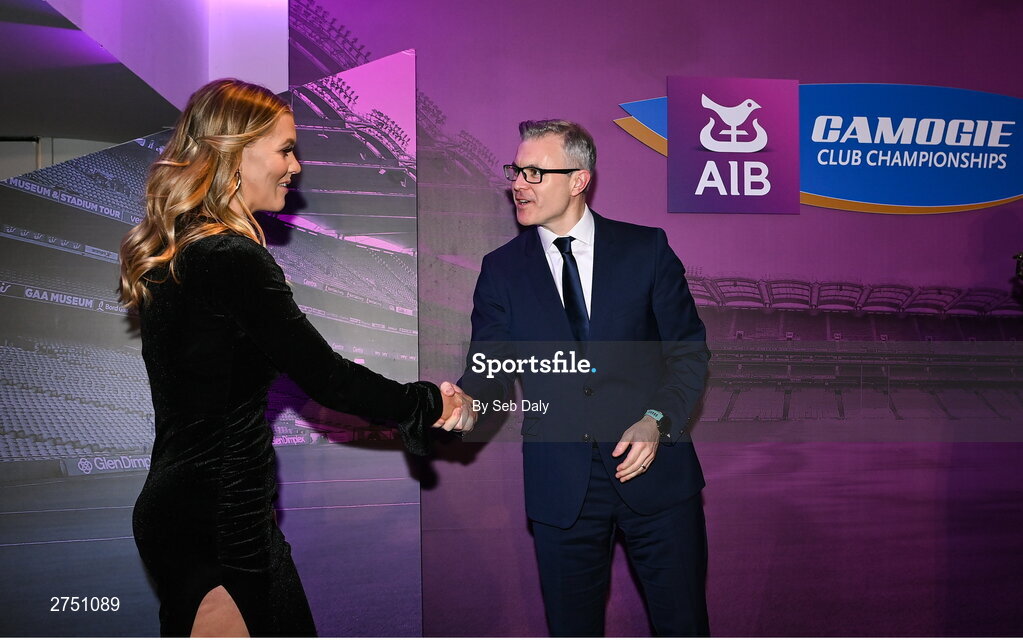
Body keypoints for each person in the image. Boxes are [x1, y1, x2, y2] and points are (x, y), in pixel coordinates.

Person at [118, 79, 472, 637]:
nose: (295, 166)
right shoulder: (231, 257)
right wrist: (427, 402)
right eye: (284, 149)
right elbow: (327, 378)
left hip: (194, 509)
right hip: (221, 518)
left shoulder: (185, 254)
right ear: (234, 152)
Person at [458, 120, 711, 636]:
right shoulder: (500, 270)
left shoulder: (647, 250)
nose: (518, 184)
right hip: (561, 486)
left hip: (657, 476)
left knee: (683, 625)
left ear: (579, 180)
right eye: (515, 171)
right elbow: (492, 369)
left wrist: (656, 420)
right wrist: (465, 401)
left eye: (534, 172)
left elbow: (688, 353)